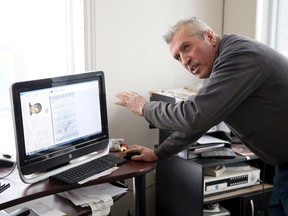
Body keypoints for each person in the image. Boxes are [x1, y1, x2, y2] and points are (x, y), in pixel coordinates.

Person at [115, 17, 288, 215]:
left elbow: (194, 116)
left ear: (210, 36)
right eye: (178, 57)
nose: (185, 60)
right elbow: (200, 121)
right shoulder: (221, 65)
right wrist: (158, 153)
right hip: (283, 165)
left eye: (186, 47)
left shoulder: (240, 56)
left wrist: (145, 108)